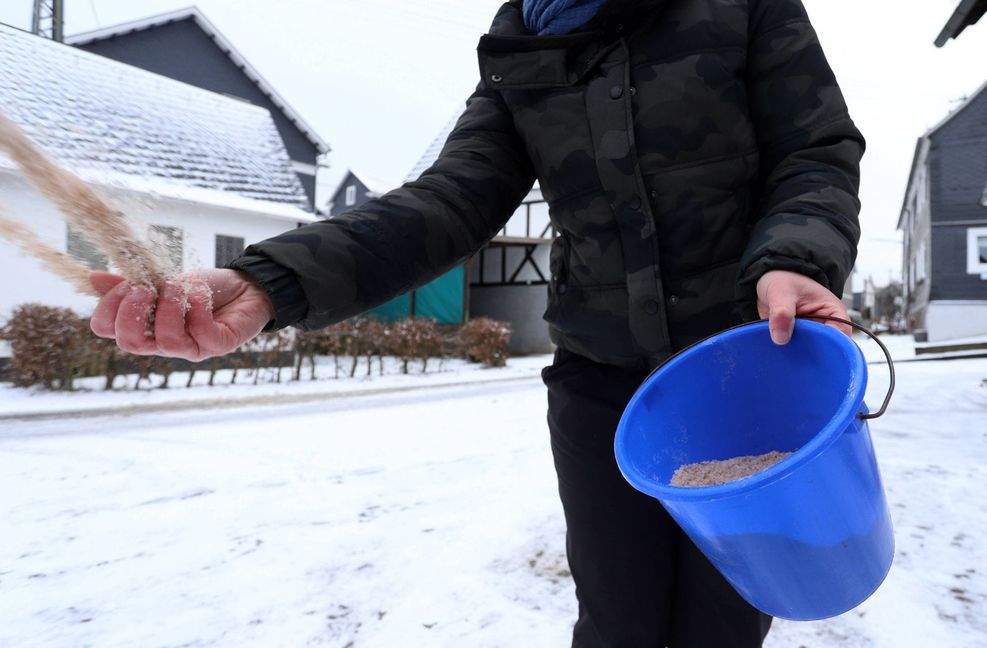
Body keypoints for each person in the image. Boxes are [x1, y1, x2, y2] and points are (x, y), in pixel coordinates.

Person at [90, 0, 862, 645]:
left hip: (745, 376)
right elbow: (449, 200)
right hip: (603, 393)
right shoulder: (525, 40)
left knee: (720, 624)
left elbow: (814, 148)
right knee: (616, 622)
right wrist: (269, 279)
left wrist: (794, 259)